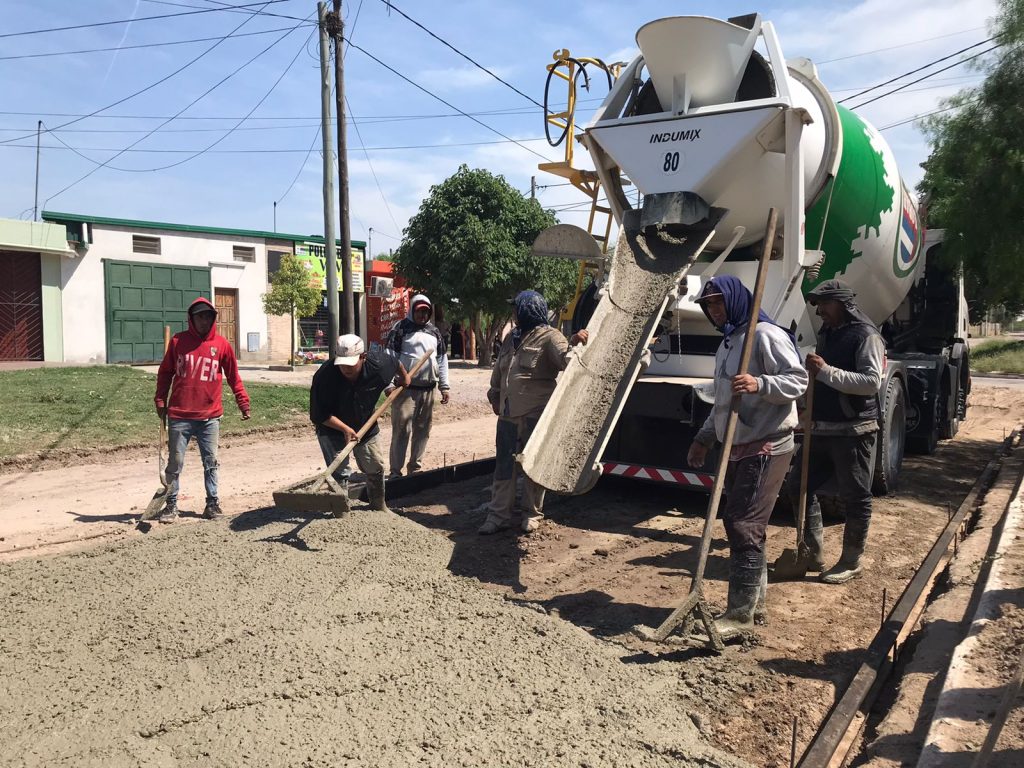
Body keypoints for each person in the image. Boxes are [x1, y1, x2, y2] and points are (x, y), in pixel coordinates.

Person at [686, 276, 807, 637]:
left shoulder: (766, 335)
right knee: (750, 529)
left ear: (737, 300)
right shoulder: (727, 344)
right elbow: (723, 400)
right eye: (709, 305)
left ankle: (738, 616)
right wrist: (704, 437)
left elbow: (798, 380)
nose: (714, 310)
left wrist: (761, 383)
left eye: (719, 303)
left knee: (742, 525)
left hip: (767, 444)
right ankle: (754, 607)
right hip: (737, 446)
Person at [787, 279, 884, 584]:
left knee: (855, 497)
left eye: (824, 305)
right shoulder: (829, 333)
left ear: (842, 304)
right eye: (816, 306)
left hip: (854, 431)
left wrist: (826, 371)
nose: (819, 312)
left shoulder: (866, 336)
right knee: (797, 487)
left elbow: (871, 382)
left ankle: (852, 560)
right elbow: (820, 377)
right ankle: (812, 552)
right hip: (822, 429)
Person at [478, 290, 589, 535]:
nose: (514, 314)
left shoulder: (550, 337)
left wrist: (575, 342)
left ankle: (531, 514)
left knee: (533, 466)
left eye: (517, 309)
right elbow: (499, 371)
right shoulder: (511, 338)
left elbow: (566, 360)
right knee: (504, 466)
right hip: (507, 415)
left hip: (535, 414)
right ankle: (498, 516)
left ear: (528, 310)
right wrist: (494, 395)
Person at [154, 297, 251, 522]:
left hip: (210, 417)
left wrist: (243, 402)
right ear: (192, 318)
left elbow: (234, 377)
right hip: (180, 415)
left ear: (213, 319)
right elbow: (165, 372)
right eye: (200, 316)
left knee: (211, 461)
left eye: (208, 316)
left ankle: (212, 503)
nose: (204, 321)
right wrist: (160, 400)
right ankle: (170, 505)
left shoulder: (222, 345)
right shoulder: (178, 342)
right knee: (175, 463)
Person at [309, 334, 411, 515]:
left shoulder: (379, 364)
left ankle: (378, 505)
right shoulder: (324, 376)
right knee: (340, 472)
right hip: (331, 429)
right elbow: (319, 414)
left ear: (363, 357)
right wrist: (345, 429)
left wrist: (404, 379)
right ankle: (341, 512)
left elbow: (396, 363)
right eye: (341, 363)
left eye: (351, 363)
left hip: (365, 424)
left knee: (375, 466)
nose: (345, 368)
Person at [385, 294, 450, 478]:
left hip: (428, 389)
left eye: (426, 311)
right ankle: (395, 472)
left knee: (422, 431)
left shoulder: (434, 332)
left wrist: (444, 386)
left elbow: (442, 359)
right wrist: (389, 384)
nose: (422, 315)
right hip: (405, 390)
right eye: (419, 311)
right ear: (412, 310)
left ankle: (415, 469)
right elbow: (390, 356)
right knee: (401, 430)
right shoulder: (400, 329)